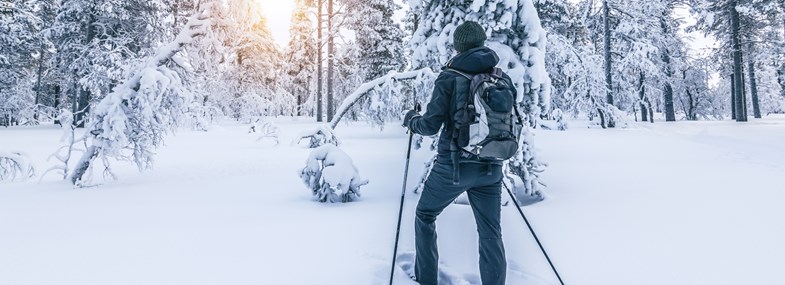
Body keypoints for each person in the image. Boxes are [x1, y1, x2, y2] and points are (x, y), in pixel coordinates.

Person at [402, 21, 514, 285]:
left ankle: (426, 280)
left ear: (458, 46)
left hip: (453, 167)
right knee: (491, 232)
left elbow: (429, 125)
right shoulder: (501, 77)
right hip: (492, 165)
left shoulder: (450, 77)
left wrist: (411, 119)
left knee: (425, 215)